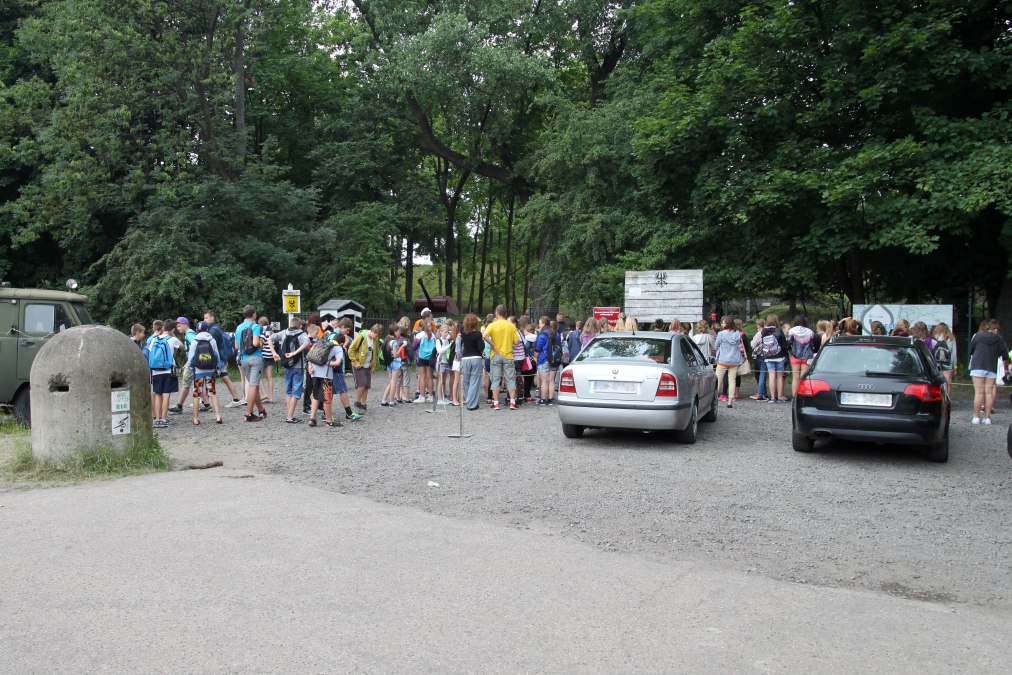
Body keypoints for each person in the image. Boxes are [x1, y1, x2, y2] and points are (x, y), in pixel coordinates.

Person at [969, 319, 1010, 426]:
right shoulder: (999, 338)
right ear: (994, 329)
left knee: (978, 392)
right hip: (991, 367)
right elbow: (1005, 355)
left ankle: (977, 417)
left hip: (977, 365)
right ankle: (987, 418)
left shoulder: (977, 336)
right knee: (988, 392)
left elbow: (971, 350)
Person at [145, 319, 182, 428]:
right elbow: (182, 346)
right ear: (172, 329)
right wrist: (173, 335)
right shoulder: (172, 339)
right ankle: (164, 419)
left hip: (155, 371)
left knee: (157, 394)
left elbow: (150, 352)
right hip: (167, 371)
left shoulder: (154, 340)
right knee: (166, 395)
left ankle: (157, 419)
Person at [483, 304, 520, 410]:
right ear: (506, 314)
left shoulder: (492, 325)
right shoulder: (511, 326)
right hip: (508, 355)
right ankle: (512, 402)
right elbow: (516, 342)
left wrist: (493, 345)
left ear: (496, 313)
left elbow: (484, 336)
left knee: (495, 379)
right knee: (510, 379)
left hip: (495, 355)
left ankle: (496, 403)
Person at [203, 310, 242, 407]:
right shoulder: (216, 328)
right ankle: (236, 398)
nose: (204, 320)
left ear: (212, 318)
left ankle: (206, 402)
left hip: (218, 358)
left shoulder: (213, 330)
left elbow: (211, 345)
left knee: (208, 378)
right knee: (224, 376)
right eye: (204, 318)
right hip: (222, 357)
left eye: (206, 318)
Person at [235, 305, 266, 423]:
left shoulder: (238, 328)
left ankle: (261, 410)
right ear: (254, 314)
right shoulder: (255, 326)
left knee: (254, 385)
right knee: (253, 385)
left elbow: (236, 346)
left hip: (243, 359)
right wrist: (261, 343)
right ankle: (248, 413)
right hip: (255, 358)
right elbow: (255, 342)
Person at [275, 316, 309, 424]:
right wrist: (295, 353)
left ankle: (289, 414)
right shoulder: (302, 334)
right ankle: (290, 416)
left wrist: (274, 353)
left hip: (286, 365)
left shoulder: (284, 333)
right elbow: (307, 342)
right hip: (298, 366)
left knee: (288, 391)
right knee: (296, 391)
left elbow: (270, 338)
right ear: (300, 325)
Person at [187, 321, 222, 425]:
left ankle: (195, 418)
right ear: (207, 329)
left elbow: (190, 358)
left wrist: (191, 367)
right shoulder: (212, 340)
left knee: (197, 393)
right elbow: (217, 356)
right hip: (210, 370)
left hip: (198, 371)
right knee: (212, 392)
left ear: (197, 330)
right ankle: (218, 416)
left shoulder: (195, 340)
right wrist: (217, 367)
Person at [306, 324, 341, 428]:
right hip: (326, 375)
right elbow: (338, 362)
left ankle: (312, 419)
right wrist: (326, 363)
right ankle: (329, 421)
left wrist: (310, 366)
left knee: (315, 395)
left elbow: (310, 357)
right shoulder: (337, 347)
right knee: (327, 397)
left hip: (314, 374)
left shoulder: (318, 343)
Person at [349, 323, 383, 412]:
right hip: (359, 365)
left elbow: (374, 353)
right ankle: (357, 402)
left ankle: (363, 404)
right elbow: (351, 349)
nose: (376, 337)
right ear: (372, 331)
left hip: (368, 365)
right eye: (376, 335)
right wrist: (355, 362)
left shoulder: (375, 340)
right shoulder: (361, 337)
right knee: (362, 384)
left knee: (367, 386)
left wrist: (373, 365)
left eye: (378, 336)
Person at [714, 316, 746, 408]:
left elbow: (716, 346)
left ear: (727, 324)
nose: (721, 324)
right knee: (732, 380)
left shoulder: (720, 334)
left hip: (723, 360)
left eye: (723, 322)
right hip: (735, 360)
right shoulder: (737, 334)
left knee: (718, 379)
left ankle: (714, 396)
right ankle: (730, 401)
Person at [169, 317, 199, 415]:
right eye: (177, 326)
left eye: (179, 325)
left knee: (186, 383)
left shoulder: (189, 335)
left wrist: (188, 362)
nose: (178, 328)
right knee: (198, 382)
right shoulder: (190, 333)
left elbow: (195, 348)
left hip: (192, 363)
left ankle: (179, 406)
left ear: (185, 324)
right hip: (194, 362)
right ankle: (206, 404)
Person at [759, 314, 788, 403]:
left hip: (768, 356)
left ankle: (772, 398)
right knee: (779, 376)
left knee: (771, 376)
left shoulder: (764, 331)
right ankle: (779, 397)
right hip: (779, 356)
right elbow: (784, 344)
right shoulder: (779, 330)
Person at [460, 313, 486, 411]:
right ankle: (472, 404)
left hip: (465, 358)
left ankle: (469, 401)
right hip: (476, 358)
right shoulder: (478, 334)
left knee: (466, 381)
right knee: (475, 381)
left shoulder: (463, 332)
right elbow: (480, 348)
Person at [787, 315, 816, 398]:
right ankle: (802, 397)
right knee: (803, 378)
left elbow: (788, 343)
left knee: (795, 377)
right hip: (807, 357)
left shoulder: (792, 331)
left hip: (795, 356)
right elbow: (812, 345)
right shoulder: (810, 332)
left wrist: (790, 351)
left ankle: (794, 397)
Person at [534, 316, 557, 405]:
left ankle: (543, 399)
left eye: (540, 323)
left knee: (544, 381)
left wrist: (535, 357)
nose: (539, 324)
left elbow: (538, 348)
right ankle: (550, 399)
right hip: (554, 359)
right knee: (551, 380)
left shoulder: (542, 335)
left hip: (543, 359)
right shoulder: (555, 333)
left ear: (543, 324)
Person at [381, 324, 405, 407]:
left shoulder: (386, 339)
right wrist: (402, 346)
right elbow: (395, 355)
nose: (400, 332)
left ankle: (384, 401)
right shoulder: (394, 342)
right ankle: (391, 401)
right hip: (395, 363)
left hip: (389, 363)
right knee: (394, 382)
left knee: (391, 382)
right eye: (398, 331)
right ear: (395, 331)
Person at [415, 319, 437, 402]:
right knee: (430, 377)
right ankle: (430, 396)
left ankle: (422, 396)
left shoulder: (419, 335)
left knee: (422, 377)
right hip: (430, 358)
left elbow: (414, 346)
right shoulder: (433, 335)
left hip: (422, 357)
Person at [258, 317, 275, 403]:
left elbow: (260, 344)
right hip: (271, 356)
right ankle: (271, 397)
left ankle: (264, 393)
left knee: (258, 376)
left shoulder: (262, 333)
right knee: (269, 376)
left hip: (263, 356)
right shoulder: (272, 333)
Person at [749, 319, 768, 401]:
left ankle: (760, 394)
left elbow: (752, 344)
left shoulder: (759, 333)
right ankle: (764, 393)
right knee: (763, 374)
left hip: (760, 355)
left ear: (759, 325)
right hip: (767, 354)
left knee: (761, 375)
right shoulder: (769, 332)